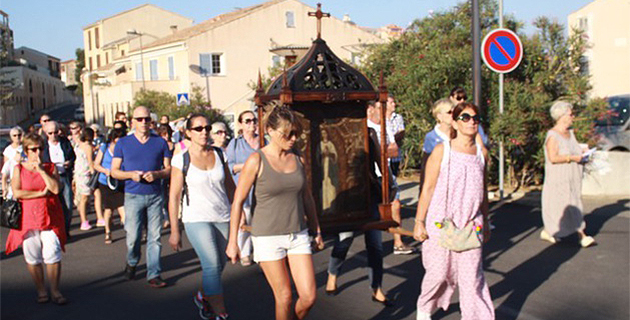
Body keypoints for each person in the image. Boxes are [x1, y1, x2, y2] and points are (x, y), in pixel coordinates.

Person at [226, 105, 323, 320]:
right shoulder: (256, 161)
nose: (293, 138)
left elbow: (307, 197)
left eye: (296, 133)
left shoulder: (298, 159)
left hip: (297, 234)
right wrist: (233, 241)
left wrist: (316, 230)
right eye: (287, 133)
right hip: (267, 237)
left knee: (308, 297)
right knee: (285, 296)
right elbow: (238, 200)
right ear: (270, 130)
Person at [413, 102, 494, 320]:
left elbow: (483, 192)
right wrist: (419, 222)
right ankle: (424, 308)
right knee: (438, 274)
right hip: (441, 221)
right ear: (456, 123)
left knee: (471, 280)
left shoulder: (481, 154)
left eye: (475, 118)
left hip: (471, 224)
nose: (471, 122)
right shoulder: (442, 151)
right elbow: (427, 188)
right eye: (465, 118)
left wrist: (485, 222)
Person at [325, 101, 394, 306]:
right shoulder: (338, 130)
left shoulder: (370, 134)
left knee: (375, 244)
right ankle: (332, 274)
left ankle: (377, 288)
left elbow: (379, 163)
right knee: (345, 238)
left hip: (368, 195)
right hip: (347, 195)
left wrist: (387, 186)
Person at [168, 114, 236, 320]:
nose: (204, 132)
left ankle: (203, 295)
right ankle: (220, 312)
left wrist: (239, 214)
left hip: (222, 215)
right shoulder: (181, 159)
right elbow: (174, 196)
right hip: (196, 218)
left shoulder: (219, 153)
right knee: (212, 264)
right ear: (188, 133)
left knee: (220, 264)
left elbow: (231, 188)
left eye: (207, 128)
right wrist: (174, 231)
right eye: (198, 129)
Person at [111, 106, 172, 288]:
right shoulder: (123, 143)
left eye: (147, 119)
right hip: (133, 195)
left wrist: (157, 174)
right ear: (132, 122)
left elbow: (168, 170)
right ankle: (132, 261)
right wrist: (130, 175)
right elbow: (114, 171)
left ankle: (154, 273)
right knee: (133, 236)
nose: (143, 122)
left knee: (155, 237)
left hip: (155, 195)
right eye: (139, 119)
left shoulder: (160, 143)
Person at [6, 133, 68, 305]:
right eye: (33, 149)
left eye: (41, 148)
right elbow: (17, 192)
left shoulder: (50, 167)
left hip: (50, 217)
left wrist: (41, 170)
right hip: (28, 218)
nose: (38, 153)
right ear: (26, 150)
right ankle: (41, 290)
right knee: (32, 256)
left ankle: (55, 290)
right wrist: (39, 194)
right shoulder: (19, 168)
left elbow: (55, 189)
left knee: (53, 253)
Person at [541, 101, 595, 247]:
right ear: (562, 116)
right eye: (570, 114)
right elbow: (552, 158)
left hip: (573, 177)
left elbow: (574, 149)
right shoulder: (552, 136)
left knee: (569, 203)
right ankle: (582, 235)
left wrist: (583, 152)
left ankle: (548, 230)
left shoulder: (570, 133)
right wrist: (571, 158)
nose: (573, 117)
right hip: (559, 177)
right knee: (568, 204)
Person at [369, 101, 414, 255]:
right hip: (370, 175)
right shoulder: (364, 126)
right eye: (379, 108)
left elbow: (393, 150)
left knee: (396, 204)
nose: (382, 111)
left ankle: (398, 242)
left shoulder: (385, 126)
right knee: (372, 214)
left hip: (386, 172)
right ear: (371, 109)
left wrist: (381, 150)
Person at [226, 110, 263, 266]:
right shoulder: (235, 144)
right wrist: (249, 166)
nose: (252, 124)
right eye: (247, 121)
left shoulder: (263, 142)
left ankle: (262, 256)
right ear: (240, 124)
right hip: (242, 188)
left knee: (261, 224)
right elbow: (229, 167)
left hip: (261, 189)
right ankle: (245, 252)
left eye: (254, 120)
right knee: (243, 221)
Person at [41, 121, 76, 236]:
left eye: (56, 132)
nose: (53, 135)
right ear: (46, 133)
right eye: (50, 133)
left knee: (68, 205)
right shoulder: (43, 145)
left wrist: (69, 163)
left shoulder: (64, 142)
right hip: (51, 178)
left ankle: (65, 230)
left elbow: (72, 155)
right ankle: (54, 230)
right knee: (52, 205)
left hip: (64, 176)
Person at [94, 128, 126, 244]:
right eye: (117, 142)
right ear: (112, 140)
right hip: (106, 182)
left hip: (120, 181)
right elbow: (96, 165)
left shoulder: (125, 149)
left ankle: (130, 233)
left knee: (123, 208)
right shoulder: (104, 148)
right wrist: (106, 171)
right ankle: (108, 231)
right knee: (109, 210)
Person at [420, 99, 455, 190]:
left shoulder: (459, 135)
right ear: (439, 116)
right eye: (449, 112)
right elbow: (426, 167)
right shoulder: (431, 138)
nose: (453, 115)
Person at [74, 128, 99, 230]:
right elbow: (90, 162)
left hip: (78, 172)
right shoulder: (88, 147)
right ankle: (84, 220)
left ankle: (84, 219)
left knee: (83, 197)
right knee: (85, 197)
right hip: (85, 173)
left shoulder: (78, 144)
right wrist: (94, 173)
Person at [157, 125, 175, 228]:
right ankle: (166, 217)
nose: (167, 136)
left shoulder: (176, 145)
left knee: (173, 195)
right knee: (163, 197)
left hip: (175, 173)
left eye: (168, 134)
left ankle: (175, 215)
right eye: (164, 134)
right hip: (164, 172)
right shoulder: (159, 145)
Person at [2, 126, 24, 199]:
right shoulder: (8, 150)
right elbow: (6, 170)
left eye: (19, 135)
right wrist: (5, 187)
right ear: (11, 137)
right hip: (13, 181)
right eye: (14, 135)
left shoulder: (26, 148)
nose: (17, 137)